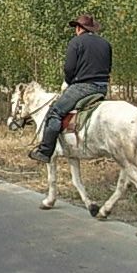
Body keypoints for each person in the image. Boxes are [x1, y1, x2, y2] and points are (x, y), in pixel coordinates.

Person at [29, 14, 112, 164]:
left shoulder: (76, 42)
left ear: (79, 28)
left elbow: (69, 68)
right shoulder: (105, 44)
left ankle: (45, 151)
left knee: (54, 112)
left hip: (83, 87)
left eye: (76, 28)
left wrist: (68, 82)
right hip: (102, 88)